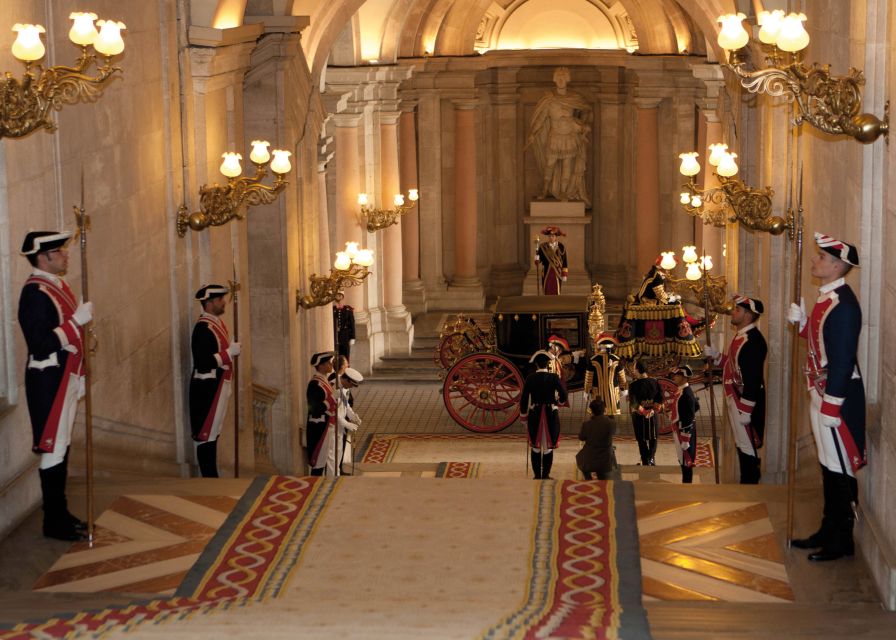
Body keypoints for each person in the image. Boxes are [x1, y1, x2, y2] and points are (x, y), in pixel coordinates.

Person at [788, 232, 866, 562]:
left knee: (839, 467)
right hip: (821, 391)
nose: (814, 261)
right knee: (827, 463)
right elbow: (823, 340)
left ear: (836, 265)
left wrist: (832, 405)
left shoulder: (844, 305)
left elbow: (844, 357)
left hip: (837, 397)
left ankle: (841, 540)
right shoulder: (828, 296)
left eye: (821, 257)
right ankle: (827, 529)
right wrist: (804, 323)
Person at [18, 230, 92, 541]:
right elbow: (40, 344)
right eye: (60, 251)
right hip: (49, 381)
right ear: (43, 257)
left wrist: (81, 373)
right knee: (53, 448)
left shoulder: (56, 285)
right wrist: (76, 323)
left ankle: (61, 513)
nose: (66, 255)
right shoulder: (35, 294)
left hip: (65, 377)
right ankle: (54, 521)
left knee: (62, 447)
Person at [705, 295, 767, 484]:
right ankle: (745, 483)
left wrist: (746, 410)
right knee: (741, 444)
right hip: (735, 397)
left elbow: (753, 379)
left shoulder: (753, 341)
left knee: (748, 447)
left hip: (744, 401)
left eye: (737, 310)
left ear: (748, 315)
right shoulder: (741, 336)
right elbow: (733, 366)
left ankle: (749, 485)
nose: (733, 312)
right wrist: (717, 356)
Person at [189, 284, 240, 478]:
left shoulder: (217, 325)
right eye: (219, 300)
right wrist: (228, 354)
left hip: (218, 387)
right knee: (206, 434)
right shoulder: (203, 328)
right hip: (208, 388)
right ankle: (209, 476)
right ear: (209, 303)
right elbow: (203, 363)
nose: (223, 302)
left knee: (214, 432)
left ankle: (212, 474)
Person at [527, 66, 592, 205]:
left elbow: (586, 110)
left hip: (570, 136)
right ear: (555, 79)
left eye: (563, 77)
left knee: (568, 165)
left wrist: (581, 123)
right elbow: (541, 119)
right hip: (555, 136)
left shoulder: (574, 98)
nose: (561, 80)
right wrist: (534, 133)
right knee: (550, 164)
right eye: (558, 77)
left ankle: (564, 192)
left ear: (568, 79)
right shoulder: (549, 99)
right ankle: (544, 191)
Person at [520, 350, 568, 479]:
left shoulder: (530, 378)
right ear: (548, 364)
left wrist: (523, 416)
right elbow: (564, 395)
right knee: (548, 448)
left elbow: (524, 399)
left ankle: (537, 475)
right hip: (550, 414)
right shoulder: (554, 377)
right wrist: (559, 402)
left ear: (536, 364)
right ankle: (546, 475)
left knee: (535, 447)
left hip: (535, 414)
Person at [306, 351, 337, 476]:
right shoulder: (315, 384)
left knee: (324, 460)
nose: (331, 365)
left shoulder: (324, 381)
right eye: (328, 363)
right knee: (318, 461)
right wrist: (332, 399)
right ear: (321, 366)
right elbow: (315, 408)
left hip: (328, 425)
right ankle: (314, 487)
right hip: (320, 426)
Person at [628, 360, 662, 465]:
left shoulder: (633, 385)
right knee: (654, 438)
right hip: (653, 414)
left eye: (634, 369)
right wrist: (652, 410)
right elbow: (659, 398)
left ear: (637, 370)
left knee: (641, 440)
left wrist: (644, 412)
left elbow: (634, 403)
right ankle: (651, 458)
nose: (634, 371)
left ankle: (645, 460)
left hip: (639, 416)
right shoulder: (655, 381)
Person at [669, 365, 699, 484]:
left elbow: (689, 417)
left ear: (684, 377)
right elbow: (696, 406)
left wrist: (686, 438)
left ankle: (687, 485)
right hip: (679, 428)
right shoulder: (682, 390)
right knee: (682, 459)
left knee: (686, 461)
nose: (675, 377)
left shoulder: (686, 394)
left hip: (684, 431)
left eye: (678, 375)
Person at [576, 398, 617, 480]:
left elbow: (581, 437)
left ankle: (588, 479)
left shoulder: (586, 424)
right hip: (606, 460)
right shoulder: (611, 423)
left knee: (579, 458)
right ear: (604, 410)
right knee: (604, 480)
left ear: (591, 411)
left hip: (590, 459)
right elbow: (614, 431)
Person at [584, 333, 624, 416]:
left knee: (598, 415)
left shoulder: (593, 359)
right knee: (611, 416)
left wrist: (586, 391)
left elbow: (589, 379)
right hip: (612, 393)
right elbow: (622, 377)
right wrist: (624, 389)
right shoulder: (617, 359)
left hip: (598, 393)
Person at [535, 226, 568, 295]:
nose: (551, 237)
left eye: (553, 236)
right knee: (547, 288)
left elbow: (565, 261)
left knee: (556, 289)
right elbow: (538, 262)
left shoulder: (561, 246)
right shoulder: (543, 246)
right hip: (546, 271)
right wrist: (536, 258)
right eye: (549, 236)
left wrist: (564, 274)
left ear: (556, 237)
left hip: (557, 271)